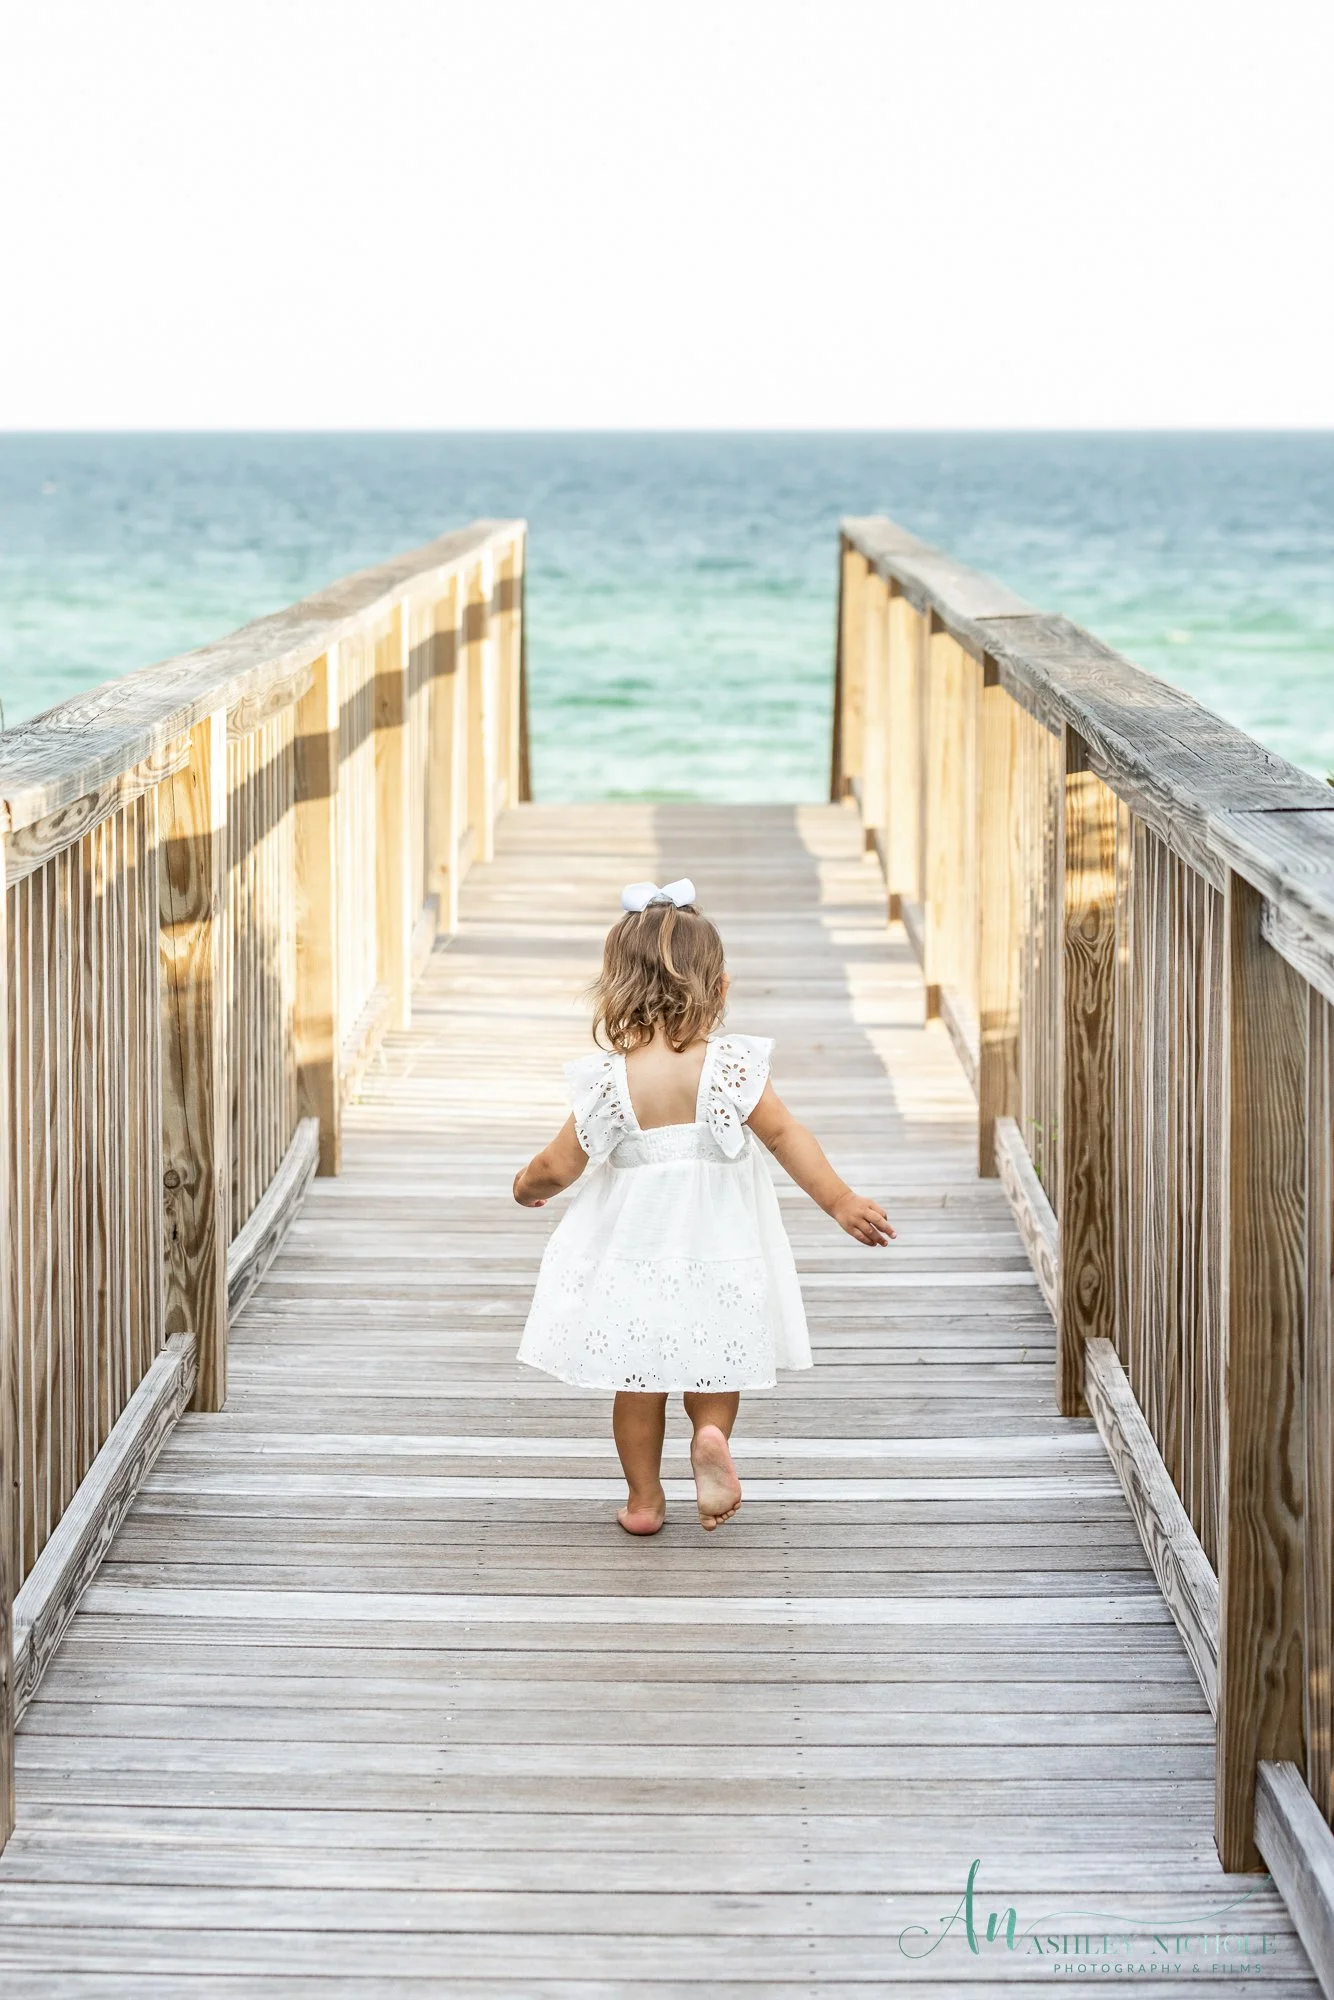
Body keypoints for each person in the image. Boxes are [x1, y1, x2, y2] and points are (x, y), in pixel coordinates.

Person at [512, 878, 894, 1534]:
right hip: (721, 1247)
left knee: (638, 1380)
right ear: (718, 990)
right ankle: (711, 1435)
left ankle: (644, 1500)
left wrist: (526, 1185)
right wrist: (838, 1200)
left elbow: (561, 1162)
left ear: (615, 990)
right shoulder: (732, 1066)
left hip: (636, 1254)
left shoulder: (611, 1081)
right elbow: (784, 1136)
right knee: (716, 1357)